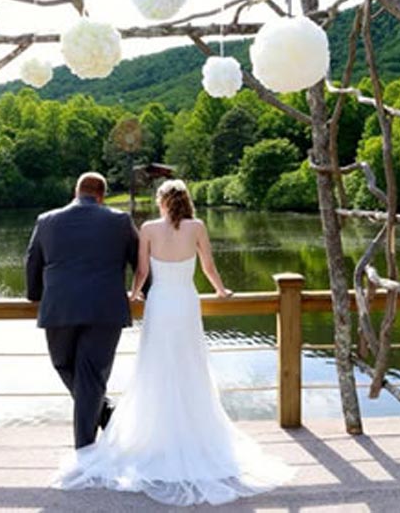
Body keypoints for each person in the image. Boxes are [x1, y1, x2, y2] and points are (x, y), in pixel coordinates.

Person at [57, 179, 295, 507]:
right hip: (185, 303)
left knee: (155, 367)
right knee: (189, 366)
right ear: (185, 200)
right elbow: (209, 267)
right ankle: (191, 434)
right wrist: (222, 292)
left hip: (159, 304)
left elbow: (141, 271)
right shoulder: (197, 227)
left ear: (162, 201)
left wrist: (135, 293)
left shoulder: (150, 229)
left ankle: (156, 438)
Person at [25, 171, 140, 449]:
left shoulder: (47, 220)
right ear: (102, 195)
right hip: (105, 310)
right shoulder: (120, 221)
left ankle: (85, 449)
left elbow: (32, 262)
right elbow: (140, 262)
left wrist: (35, 296)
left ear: (76, 192)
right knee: (91, 376)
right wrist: (151, 292)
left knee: (64, 365)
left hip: (59, 309)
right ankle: (106, 415)